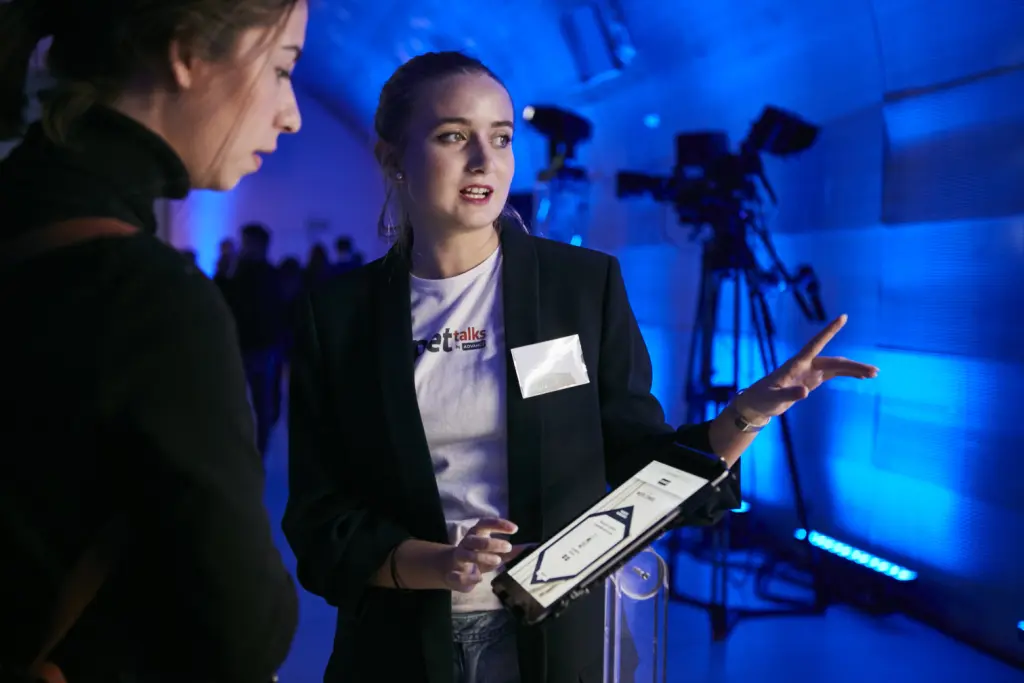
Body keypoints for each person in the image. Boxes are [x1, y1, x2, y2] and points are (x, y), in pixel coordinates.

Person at [282, 51, 879, 683]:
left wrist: (746, 415)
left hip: (553, 641)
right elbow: (320, 517)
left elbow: (640, 464)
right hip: (397, 644)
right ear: (392, 158)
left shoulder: (581, 288)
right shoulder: (338, 316)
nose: (484, 161)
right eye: (453, 137)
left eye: (501, 138)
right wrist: (435, 564)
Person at [0, 0, 307, 681]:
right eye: (282, 69)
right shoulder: (149, 299)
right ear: (188, 51)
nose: (291, 115)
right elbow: (248, 630)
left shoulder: (23, 213)